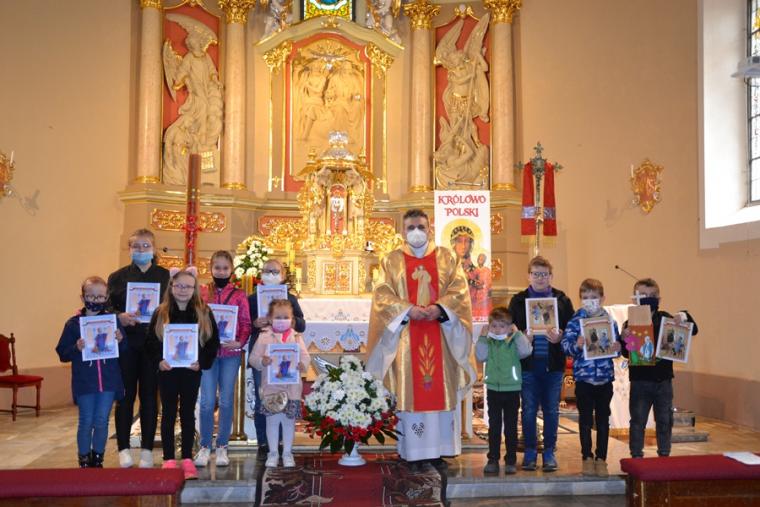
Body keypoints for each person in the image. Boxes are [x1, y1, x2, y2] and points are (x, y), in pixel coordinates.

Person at [366, 208, 475, 471]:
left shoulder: (447, 257)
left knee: (440, 389)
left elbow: (459, 290)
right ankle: (412, 453)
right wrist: (407, 309)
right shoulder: (391, 260)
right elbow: (382, 294)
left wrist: (440, 308)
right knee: (411, 389)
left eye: (421, 227)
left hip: (441, 333)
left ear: (430, 229)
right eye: (411, 227)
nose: (416, 232)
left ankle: (438, 452)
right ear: (403, 231)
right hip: (407, 336)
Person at [145, 267, 220, 479]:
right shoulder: (161, 312)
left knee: (187, 414)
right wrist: (159, 361)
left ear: (194, 288)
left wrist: (201, 362)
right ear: (171, 287)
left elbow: (212, 342)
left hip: (191, 372)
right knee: (168, 414)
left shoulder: (203, 311)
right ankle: (168, 458)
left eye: (188, 286)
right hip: (167, 372)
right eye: (178, 286)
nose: (183, 290)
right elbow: (150, 342)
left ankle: (187, 458)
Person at [107, 229, 170, 468]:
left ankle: (146, 450)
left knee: (150, 397)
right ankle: (123, 448)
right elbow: (107, 307)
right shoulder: (117, 277)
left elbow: (175, 305)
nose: (141, 250)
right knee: (125, 397)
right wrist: (119, 316)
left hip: (154, 345)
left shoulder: (165, 276)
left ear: (153, 249)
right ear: (130, 249)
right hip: (126, 344)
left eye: (146, 246)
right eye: (136, 246)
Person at [507, 256, 574, 472]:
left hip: (552, 365)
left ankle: (549, 453)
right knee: (528, 410)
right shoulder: (518, 301)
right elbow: (508, 328)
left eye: (544, 274)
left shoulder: (562, 301)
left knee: (551, 411)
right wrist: (521, 336)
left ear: (551, 276)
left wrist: (561, 336)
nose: (540, 278)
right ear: (528, 276)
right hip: (528, 365)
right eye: (536, 274)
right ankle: (529, 452)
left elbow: (572, 329)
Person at [622, 278, 698, 458]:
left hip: (663, 380)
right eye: (643, 295)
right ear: (635, 299)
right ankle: (636, 455)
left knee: (665, 420)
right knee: (638, 420)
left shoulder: (666, 318)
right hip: (640, 381)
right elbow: (626, 354)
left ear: (659, 298)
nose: (648, 298)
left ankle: (664, 454)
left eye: (652, 295)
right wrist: (625, 338)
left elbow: (693, 329)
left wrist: (683, 316)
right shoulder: (629, 323)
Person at [56, 276, 127, 468]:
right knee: (86, 421)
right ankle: (84, 458)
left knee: (102, 421)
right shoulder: (73, 324)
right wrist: (76, 347)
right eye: (91, 296)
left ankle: (98, 457)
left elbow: (125, 349)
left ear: (106, 297)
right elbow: (62, 353)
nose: (95, 300)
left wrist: (121, 340)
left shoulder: (113, 321)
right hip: (85, 382)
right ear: (83, 297)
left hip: (108, 381)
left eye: (100, 297)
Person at [195, 251, 251, 468]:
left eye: (225, 268)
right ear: (210, 268)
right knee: (207, 401)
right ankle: (204, 446)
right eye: (217, 268)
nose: (221, 272)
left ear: (231, 270)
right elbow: (195, 319)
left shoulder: (239, 295)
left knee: (226, 400)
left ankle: (222, 446)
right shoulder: (202, 292)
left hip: (230, 354)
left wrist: (239, 341)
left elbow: (245, 323)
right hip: (208, 355)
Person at [560, 279, 622, 477]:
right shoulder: (575, 321)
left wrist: (617, 348)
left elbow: (616, 348)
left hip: (604, 378)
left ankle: (601, 458)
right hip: (584, 379)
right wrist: (577, 345)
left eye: (593, 297)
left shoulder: (609, 322)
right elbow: (565, 347)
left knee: (603, 419)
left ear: (602, 298)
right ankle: (586, 456)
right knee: (585, 419)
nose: (589, 301)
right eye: (585, 297)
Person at [247, 258, 306, 458]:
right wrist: (255, 324)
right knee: (263, 397)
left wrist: (289, 320)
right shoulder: (253, 298)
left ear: (282, 275)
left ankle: (282, 442)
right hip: (264, 355)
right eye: (267, 271)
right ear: (261, 274)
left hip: (287, 356)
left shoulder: (291, 299)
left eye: (275, 271)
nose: (271, 275)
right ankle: (264, 442)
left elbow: (302, 324)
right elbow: (243, 325)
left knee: (287, 397)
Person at [249, 299, 310, 468]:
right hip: (272, 389)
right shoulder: (263, 337)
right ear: (270, 318)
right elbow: (253, 359)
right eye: (277, 317)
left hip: (291, 389)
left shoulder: (296, 337)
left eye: (285, 317)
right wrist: (262, 361)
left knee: (289, 422)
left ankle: (288, 453)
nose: (282, 321)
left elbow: (305, 356)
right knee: (273, 422)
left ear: (292, 319)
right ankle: (273, 453)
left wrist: (302, 365)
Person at [475, 307, 532, 475]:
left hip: (512, 389)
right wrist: (483, 337)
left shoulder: (514, 341)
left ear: (509, 327)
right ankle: (493, 458)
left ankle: (511, 459)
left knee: (511, 426)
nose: (497, 329)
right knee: (494, 426)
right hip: (493, 389)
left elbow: (526, 351)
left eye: (502, 326)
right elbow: (480, 356)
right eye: (494, 326)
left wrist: (518, 334)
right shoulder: (489, 342)